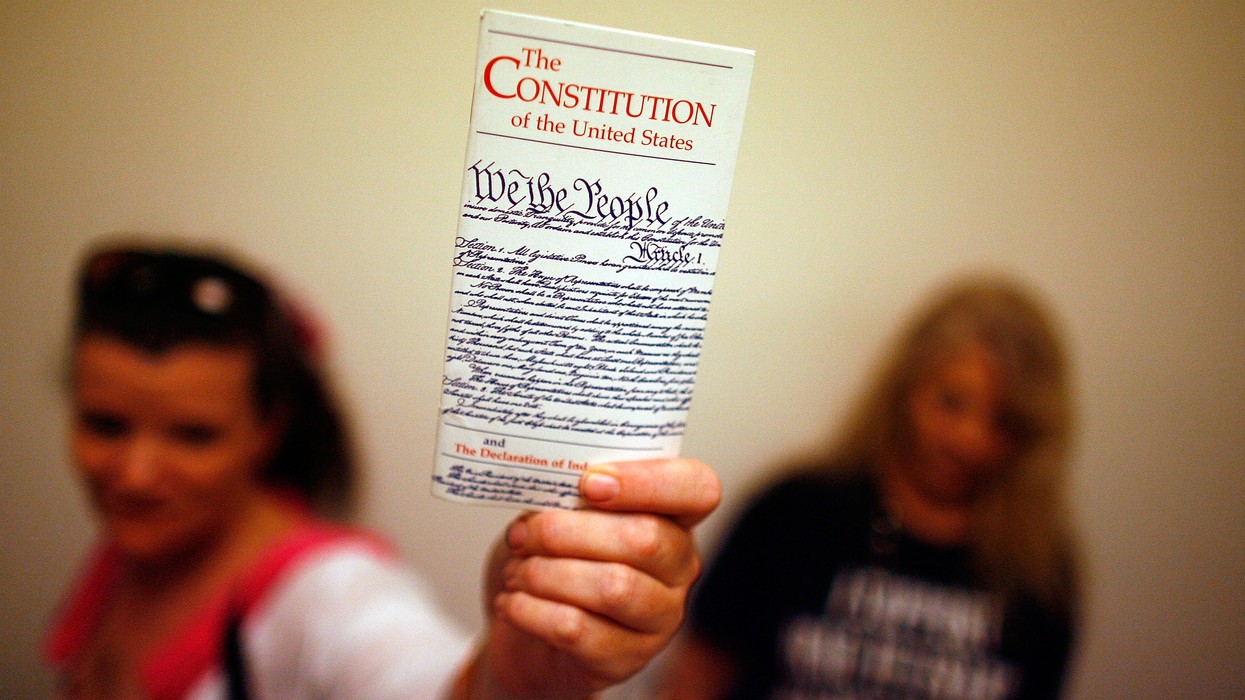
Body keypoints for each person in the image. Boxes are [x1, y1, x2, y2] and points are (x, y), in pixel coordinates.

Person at [43, 240, 721, 700]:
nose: (135, 475)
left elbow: (412, 672)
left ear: (267, 430)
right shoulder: (134, 548)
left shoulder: (334, 594)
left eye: (194, 436)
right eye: (105, 425)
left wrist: (514, 683)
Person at [657, 276, 1080, 700]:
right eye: (951, 402)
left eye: (1003, 421)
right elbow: (696, 680)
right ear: (906, 389)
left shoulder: (1041, 572)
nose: (970, 439)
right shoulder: (794, 512)